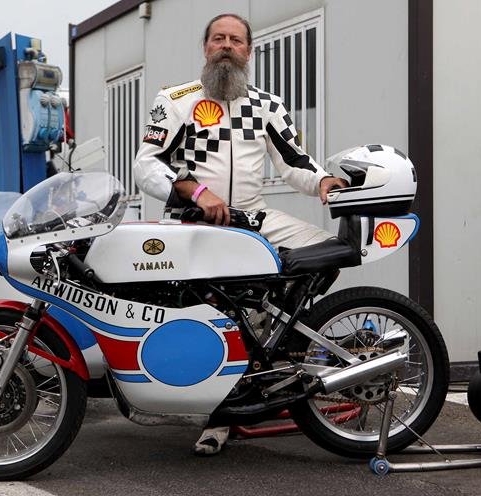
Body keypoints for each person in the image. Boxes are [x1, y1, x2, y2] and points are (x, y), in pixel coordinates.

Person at [132, 13, 348, 456]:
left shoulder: (267, 105)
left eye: (235, 40)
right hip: (194, 222)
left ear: (248, 51)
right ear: (205, 47)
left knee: (328, 249)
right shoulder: (175, 100)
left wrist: (324, 181)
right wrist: (197, 191)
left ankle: (278, 346)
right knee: (209, 310)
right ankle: (219, 410)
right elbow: (146, 163)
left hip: (252, 217)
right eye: (218, 39)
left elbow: (295, 162)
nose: (227, 45)